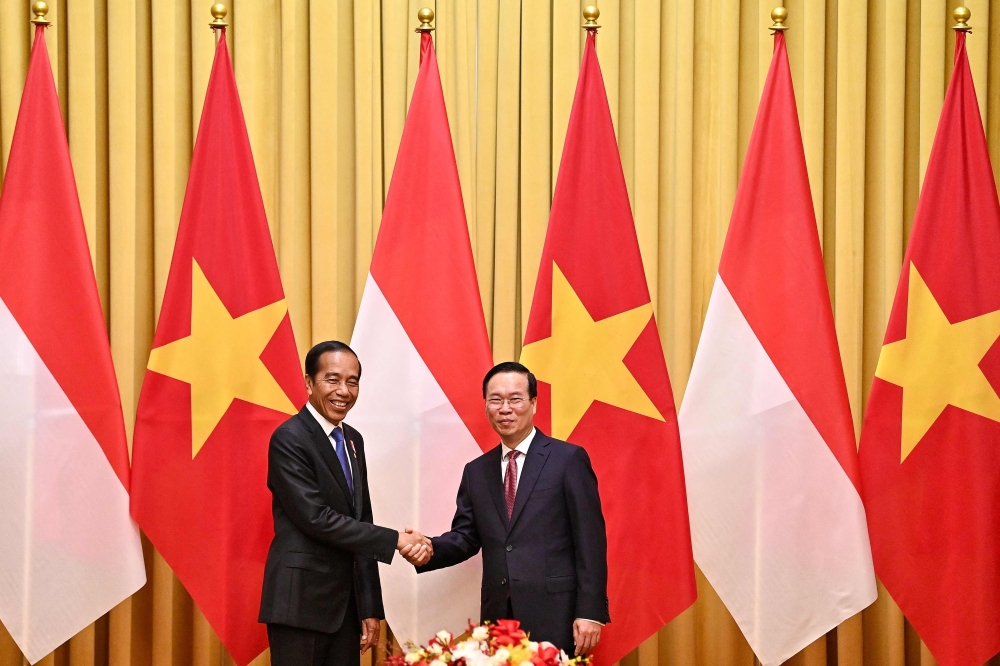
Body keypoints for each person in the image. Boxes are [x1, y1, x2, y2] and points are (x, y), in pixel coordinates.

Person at [403, 361, 610, 655]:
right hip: (499, 614)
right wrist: (429, 548)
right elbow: (466, 536)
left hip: (557, 613)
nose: (505, 408)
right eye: (495, 400)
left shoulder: (568, 460)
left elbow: (590, 541)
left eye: (515, 399)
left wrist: (590, 612)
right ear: (486, 405)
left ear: (534, 403)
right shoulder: (476, 471)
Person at [259, 341, 432, 666]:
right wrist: (396, 539)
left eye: (352, 381)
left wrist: (368, 607)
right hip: (300, 605)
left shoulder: (352, 439)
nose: (344, 390)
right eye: (332, 379)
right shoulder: (289, 438)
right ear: (310, 382)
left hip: (345, 610)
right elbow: (316, 518)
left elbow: (360, 518)